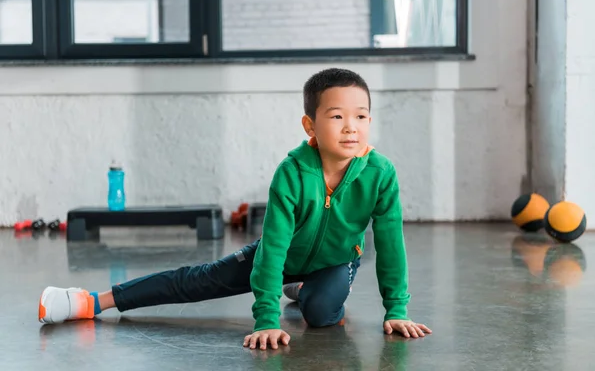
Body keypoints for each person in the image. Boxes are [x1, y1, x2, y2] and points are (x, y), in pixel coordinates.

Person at [38, 68, 432, 350]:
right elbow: (274, 246)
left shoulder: (380, 173)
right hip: (278, 256)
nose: (351, 127)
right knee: (198, 280)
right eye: (337, 116)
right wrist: (266, 320)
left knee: (322, 312)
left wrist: (396, 309)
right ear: (309, 126)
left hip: (335, 262)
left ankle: (298, 289)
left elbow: (391, 241)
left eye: (361, 116)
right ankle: (95, 300)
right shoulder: (292, 172)